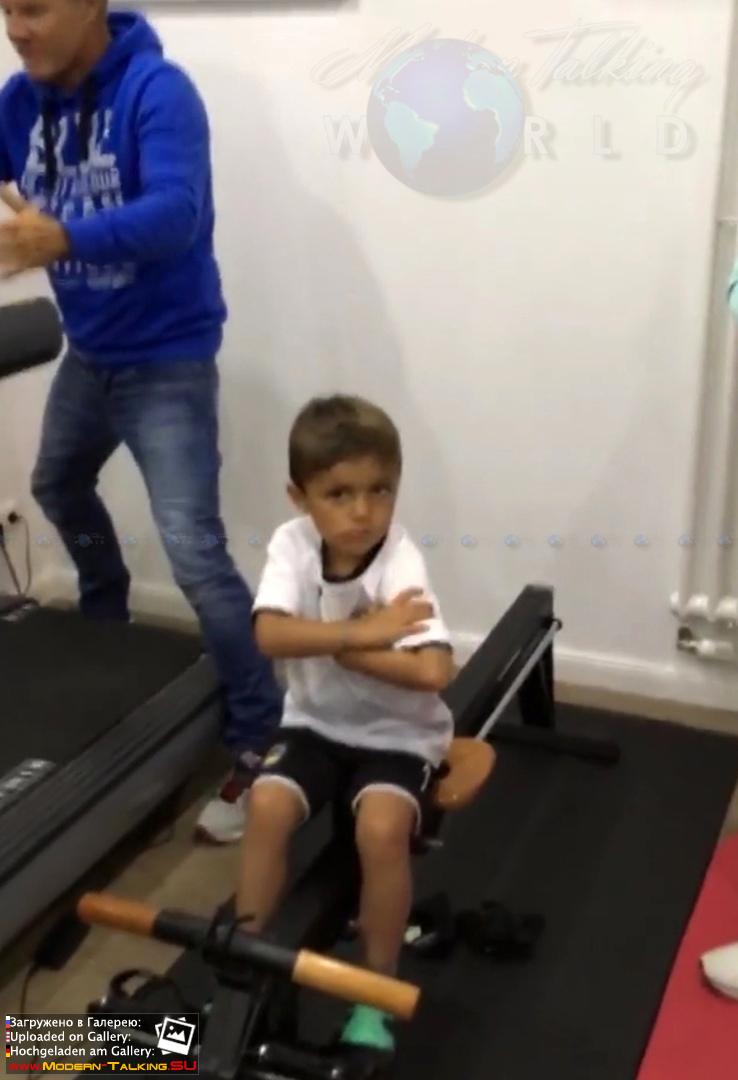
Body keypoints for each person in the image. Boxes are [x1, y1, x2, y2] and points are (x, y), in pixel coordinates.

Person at [0, 0, 282, 840]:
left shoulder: (159, 91)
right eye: (6, 9)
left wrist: (59, 240)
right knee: (58, 483)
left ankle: (262, 737)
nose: (16, 29)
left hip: (167, 361)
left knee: (195, 552)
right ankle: (106, 611)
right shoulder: (20, 102)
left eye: (34, 9)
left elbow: (175, 214)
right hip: (90, 357)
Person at [237, 394, 456, 1059]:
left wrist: (338, 647)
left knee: (380, 831)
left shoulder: (400, 559)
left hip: (397, 737)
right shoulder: (291, 544)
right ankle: (244, 971)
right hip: (314, 723)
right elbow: (270, 635)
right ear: (300, 497)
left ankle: (374, 991)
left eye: (379, 490)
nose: (363, 512)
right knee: (265, 806)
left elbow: (432, 671)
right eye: (338, 494)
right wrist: (363, 634)